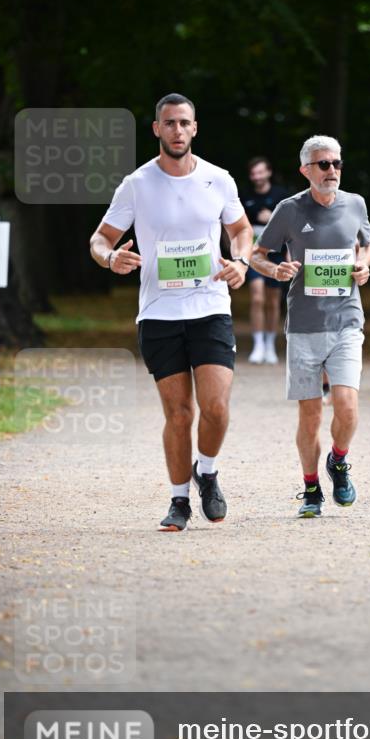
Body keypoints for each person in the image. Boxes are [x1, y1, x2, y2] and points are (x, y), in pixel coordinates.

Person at [89, 93, 253, 531]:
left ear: (195, 128)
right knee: (179, 414)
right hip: (160, 313)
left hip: (210, 306)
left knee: (216, 407)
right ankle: (179, 500)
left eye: (184, 123)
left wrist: (240, 261)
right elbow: (100, 239)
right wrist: (110, 259)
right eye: (169, 123)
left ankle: (209, 471)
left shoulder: (218, 179)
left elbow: (240, 230)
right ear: (157, 130)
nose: (177, 130)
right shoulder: (137, 184)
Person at [250, 135, 370, 517]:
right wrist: (276, 269)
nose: (332, 171)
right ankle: (310, 488)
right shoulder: (289, 210)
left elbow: (368, 243)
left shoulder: (355, 203)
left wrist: (365, 264)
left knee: (348, 407)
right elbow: (257, 254)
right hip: (304, 324)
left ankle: (338, 462)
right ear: (306, 170)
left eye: (337, 163)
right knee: (311, 415)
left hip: (346, 320)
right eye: (323, 164)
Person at [242, 156, 287, 364]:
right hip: (253, 253)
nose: (257, 176)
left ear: (268, 172)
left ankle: (270, 344)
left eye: (261, 172)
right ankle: (258, 344)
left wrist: (272, 219)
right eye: (253, 173)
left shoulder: (281, 195)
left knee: (273, 300)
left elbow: (290, 226)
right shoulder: (244, 196)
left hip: (276, 253)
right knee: (257, 297)